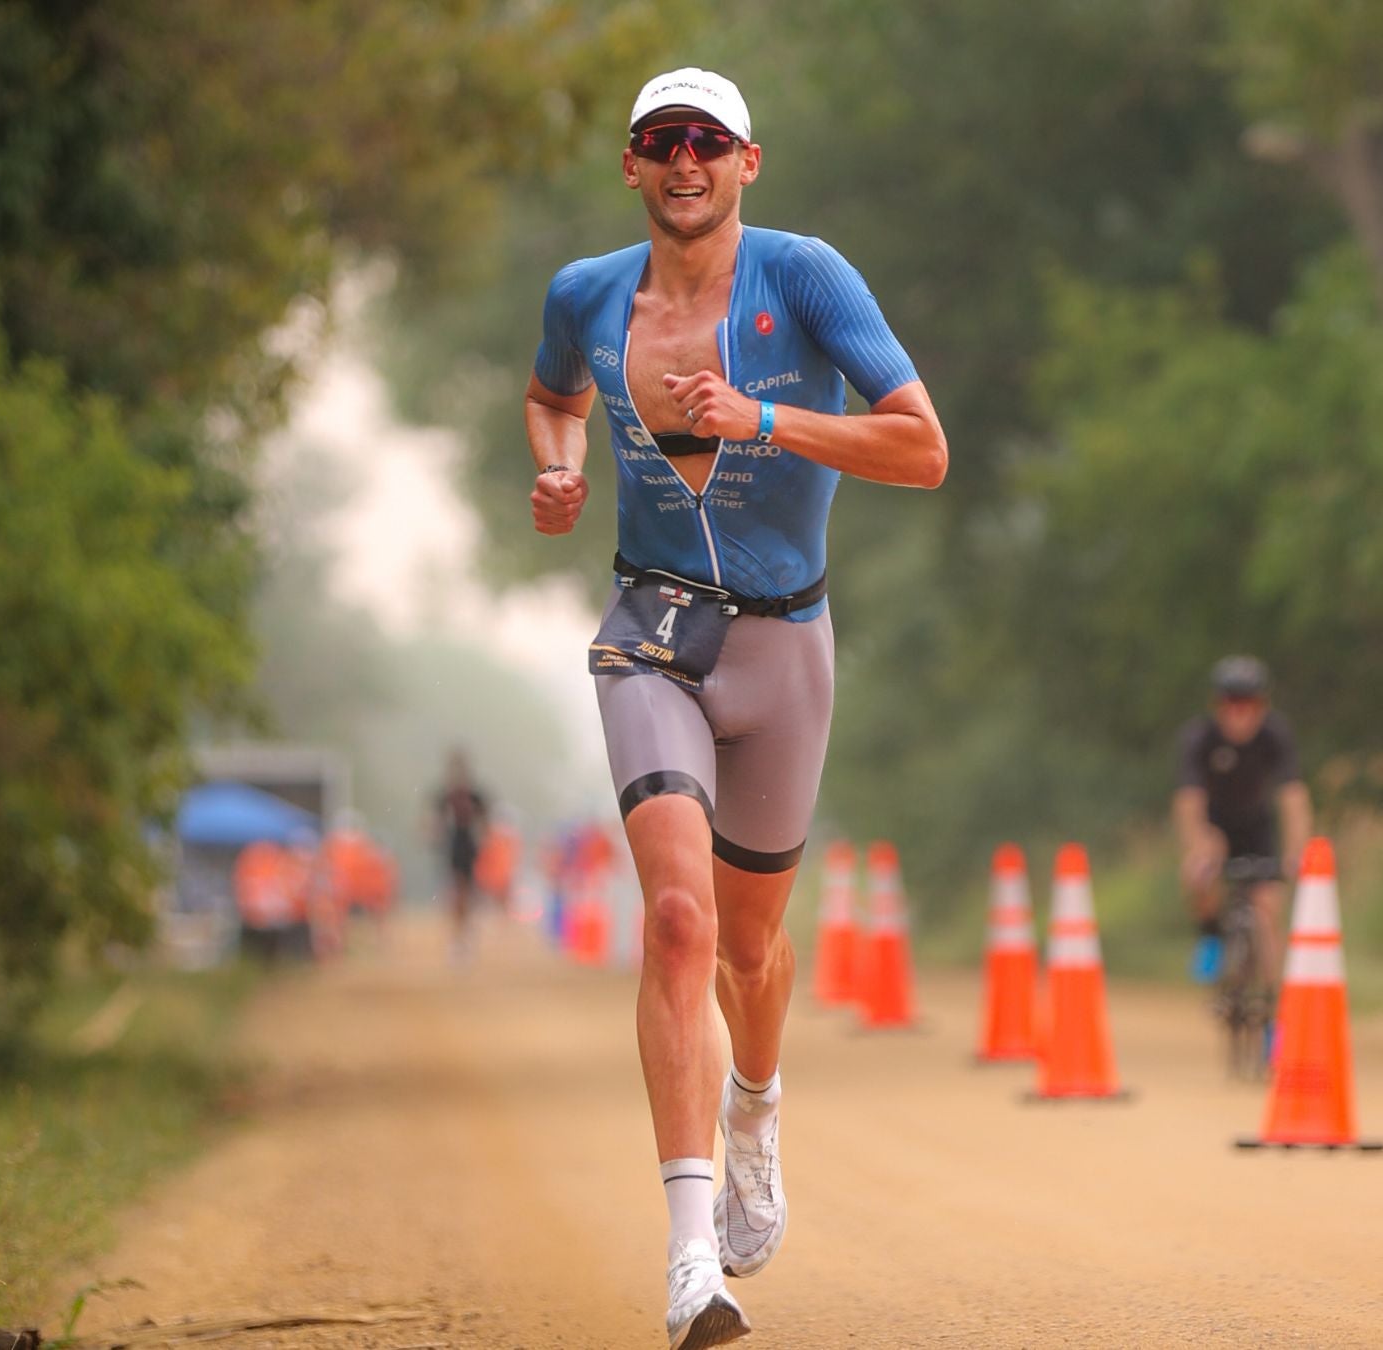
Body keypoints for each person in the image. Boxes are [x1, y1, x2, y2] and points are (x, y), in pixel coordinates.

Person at [523, 67, 946, 1348]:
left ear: (747, 161)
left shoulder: (807, 277)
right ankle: (691, 1257)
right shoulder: (587, 295)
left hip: (785, 650)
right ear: (634, 167)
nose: (686, 162)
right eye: (663, 142)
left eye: (709, 142)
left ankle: (756, 1105)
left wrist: (765, 418)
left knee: (754, 953)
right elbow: (554, 396)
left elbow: (921, 448)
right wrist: (558, 467)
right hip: (650, 633)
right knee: (674, 918)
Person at [1174, 656, 1313, 1016]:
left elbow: (1293, 795)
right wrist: (1196, 844)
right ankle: (1209, 935)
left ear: (1261, 706)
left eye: (1247, 704)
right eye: (1231, 703)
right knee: (1202, 866)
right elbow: (1189, 800)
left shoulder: (1275, 735)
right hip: (1214, 825)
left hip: (1257, 827)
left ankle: (1272, 1006)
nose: (1239, 713)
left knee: (1268, 909)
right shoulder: (1199, 738)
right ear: (1217, 706)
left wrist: (1299, 851)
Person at [430, 749, 491, 966]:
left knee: (466, 893)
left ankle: (464, 936)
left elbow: (485, 822)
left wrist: (484, 841)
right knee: (457, 893)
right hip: (454, 844)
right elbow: (434, 822)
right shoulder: (445, 795)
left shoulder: (475, 795)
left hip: (468, 845)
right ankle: (459, 938)